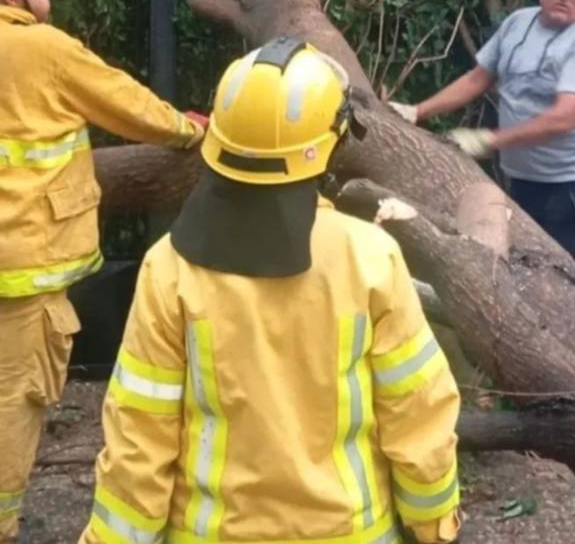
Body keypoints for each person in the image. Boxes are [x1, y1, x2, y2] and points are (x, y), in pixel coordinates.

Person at [80, 38, 461, 544]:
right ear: (335, 139)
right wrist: (433, 525)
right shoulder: (370, 257)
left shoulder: (169, 265)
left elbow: (139, 433)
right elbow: (417, 411)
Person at [0, 0, 206, 542]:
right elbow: (125, 103)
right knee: (13, 398)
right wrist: (189, 130)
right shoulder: (42, 50)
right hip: (21, 261)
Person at [389, 0, 575, 279]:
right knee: (525, 280)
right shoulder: (517, 24)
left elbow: (564, 118)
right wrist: (417, 111)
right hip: (524, 181)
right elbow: (477, 79)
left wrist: (489, 140)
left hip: (574, 191)